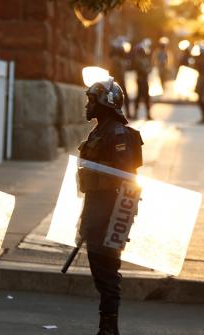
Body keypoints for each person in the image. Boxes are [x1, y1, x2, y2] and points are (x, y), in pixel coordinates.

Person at [77, 77, 143, 335]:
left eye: (91, 100)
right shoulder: (100, 131)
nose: (87, 105)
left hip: (110, 214)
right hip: (96, 211)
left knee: (107, 273)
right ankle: (107, 327)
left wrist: (116, 220)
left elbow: (126, 180)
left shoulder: (118, 134)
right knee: (100, 270)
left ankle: (109, 329)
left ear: (106, 103)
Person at [109, 39, 132, 118]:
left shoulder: (117, 59)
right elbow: (116, 71)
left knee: (114, 96)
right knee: (115, 96)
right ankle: (115, 113)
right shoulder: (117, 60)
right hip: (117, 80)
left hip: (116, 80)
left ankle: (116, 113)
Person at [132, 43, 152, 120]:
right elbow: (142, 69)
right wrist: (147, 70)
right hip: (141, 80)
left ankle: (147, 114)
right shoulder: (138, 60)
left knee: (145, 97)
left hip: (144, 80)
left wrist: (148, 70)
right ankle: (136, 113)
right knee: (140, 97)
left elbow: (148, 68)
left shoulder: (144, 60)